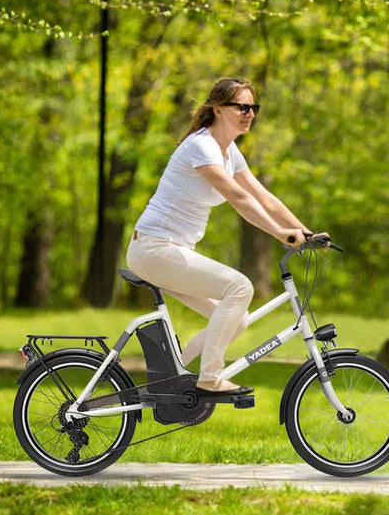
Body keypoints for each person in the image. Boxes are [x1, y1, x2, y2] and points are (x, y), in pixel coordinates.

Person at [126, 77, 324, 396]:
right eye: (241, 106)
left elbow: (263, 196)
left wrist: (305, 232)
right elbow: (238, 197)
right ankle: (209, 378)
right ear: (218, 110)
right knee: (239, 286)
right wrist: (281, 235)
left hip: (168, 253)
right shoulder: (201, 146)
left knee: (238, 320)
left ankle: (173, 375)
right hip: (154, 249)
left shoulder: (229, 151)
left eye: (252, 107)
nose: (249, 113)